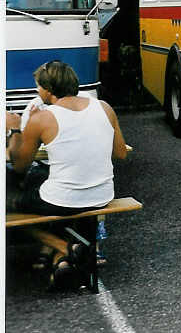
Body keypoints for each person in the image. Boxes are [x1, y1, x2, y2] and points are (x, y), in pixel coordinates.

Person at [6, 61, 128, 286]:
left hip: (64, 200)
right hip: (102, 196)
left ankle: (65, 248)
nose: (37, 92)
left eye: (38, 87)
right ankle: (59, 260)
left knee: (11, 205)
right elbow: (121, 153)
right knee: (47, 183)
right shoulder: (104, 107)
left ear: (49, 90)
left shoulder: (42, 118)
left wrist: (14, 129)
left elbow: (19, 165)